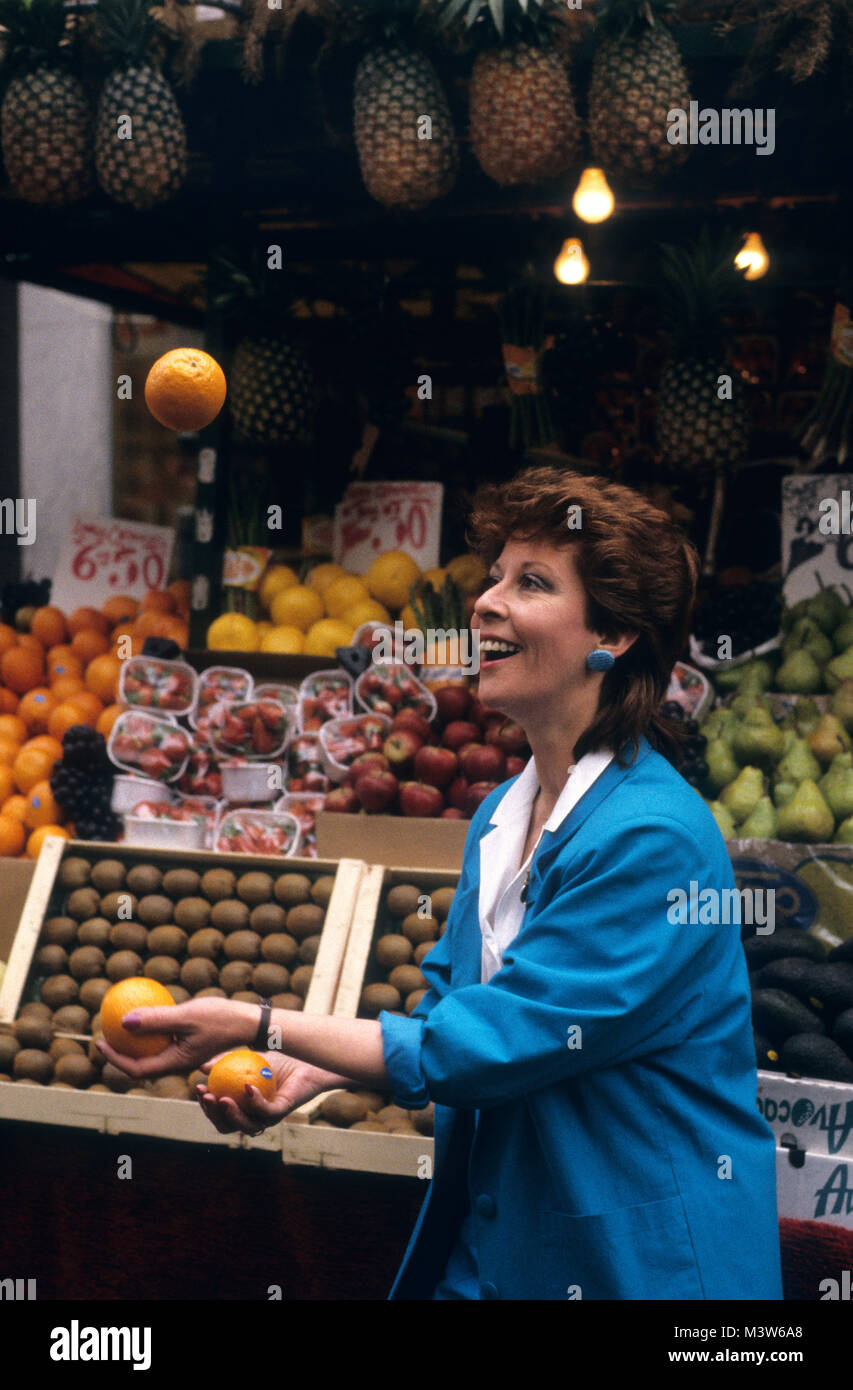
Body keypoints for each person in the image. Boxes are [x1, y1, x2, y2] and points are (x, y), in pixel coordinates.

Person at [99, 467, 783, 1301]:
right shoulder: (504, 811)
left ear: (616, 634)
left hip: (639, 1266)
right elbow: (450, 1005)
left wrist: (260, 1024)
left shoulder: (652, 839)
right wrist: (325, 1071)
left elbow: (484, 1045)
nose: (486, 602)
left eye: (529, 582)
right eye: (493, 575)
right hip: (502, 1250)